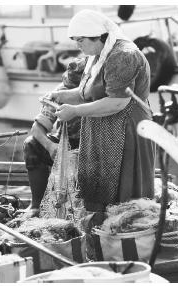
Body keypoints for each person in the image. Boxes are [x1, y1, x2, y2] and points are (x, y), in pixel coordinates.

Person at [45, 9, 156, 213]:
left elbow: (117, 102)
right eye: (75, 40)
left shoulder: (123, 55)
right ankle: (101, 233)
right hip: (102, 130)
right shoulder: (97, 55)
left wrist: (76, 111)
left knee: (125, 191)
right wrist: (60, 96)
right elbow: (89, 92)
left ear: (99, 37)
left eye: (81, 40)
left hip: (127, 130)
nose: (77, 45)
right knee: (100, 188)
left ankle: (126, 238)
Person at [22, 57, 86, 217]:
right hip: (64, 143)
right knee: (31, 144)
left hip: (94, 145)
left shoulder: (98, 90)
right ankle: (36, 205)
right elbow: (37, 129)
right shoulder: (59, 92)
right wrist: (51, 147)